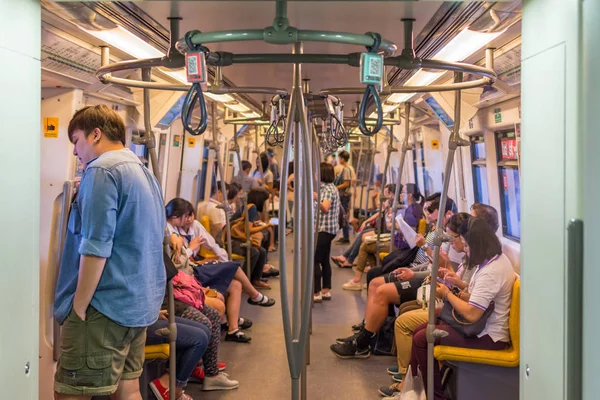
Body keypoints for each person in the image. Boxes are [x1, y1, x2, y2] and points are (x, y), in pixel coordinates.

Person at [54, 105, 166, 399]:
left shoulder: (102, 170)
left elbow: (96, 246)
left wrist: (78, 308)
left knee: (70, 392)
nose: (76, 152)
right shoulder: (143, 171)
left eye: (76, 141)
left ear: (95, 134)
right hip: (137, 306)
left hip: (104, 307)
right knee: (127, 390)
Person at [394, 217, 515, 400]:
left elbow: (472, 314)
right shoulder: (492, 261)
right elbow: (476, 298)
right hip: (481, 327)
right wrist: (456, 286)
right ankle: (414, 390)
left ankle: (433, 396)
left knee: (422, 338)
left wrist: (447, 294)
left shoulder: (491, 272)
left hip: (489, 336)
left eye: (467, 246)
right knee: (422, 328)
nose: (465, 250)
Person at [330, 195, 456, 359]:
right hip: (419, 270)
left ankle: (363, 341)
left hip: (428, 280)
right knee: (375, 280)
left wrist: (415, 267)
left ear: (446, 214)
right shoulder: (435, 231)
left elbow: (439, 269)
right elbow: (429, 263)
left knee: (382, 291)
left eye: (431, 210)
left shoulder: (448, 238)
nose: (427, 213)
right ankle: (368, 331)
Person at [230, 187, 274, 288]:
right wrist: (266, 226)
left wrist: (255, 224)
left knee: (262, 251)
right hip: (232, 241)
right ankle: (245, 281)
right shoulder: (252, 208)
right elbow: (248, 230)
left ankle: (255, 280)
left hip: (236, 238)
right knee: (254, 252)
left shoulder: (248, 207)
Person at [314, 162, 341, 303]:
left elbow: (324, 207)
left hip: (325, 229)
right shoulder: (327, 188)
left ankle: (316, 292)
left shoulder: (328, 190)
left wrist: (315, 197)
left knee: (314, 260)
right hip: (327, 229)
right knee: (324, 259)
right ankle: (326, 290)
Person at [334, 150, 356, 244]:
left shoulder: (347, 169)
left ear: (342, 159)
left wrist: (335, 187)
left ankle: (346, 238)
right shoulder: (350, 168)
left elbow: (346, 183)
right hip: (346, 195)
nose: (339, 160)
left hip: (345, 195)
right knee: (344, 215)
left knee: (343, 216)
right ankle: (344, 236)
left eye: (339, 158)